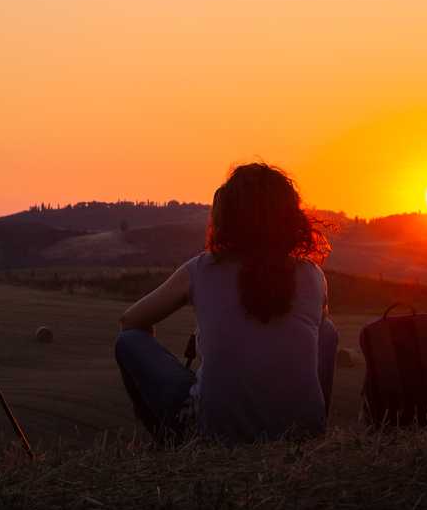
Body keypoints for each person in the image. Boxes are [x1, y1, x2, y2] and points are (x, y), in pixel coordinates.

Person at [114, 163, 338, 444]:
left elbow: (131, 321)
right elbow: (313, 324)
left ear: (226, 217)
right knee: (326, 331)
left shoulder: (201, 269)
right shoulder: (312, 274)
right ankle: (309, 433)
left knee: (129, 341)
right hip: (299, 432)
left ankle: (167, 440)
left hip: (214, 432)